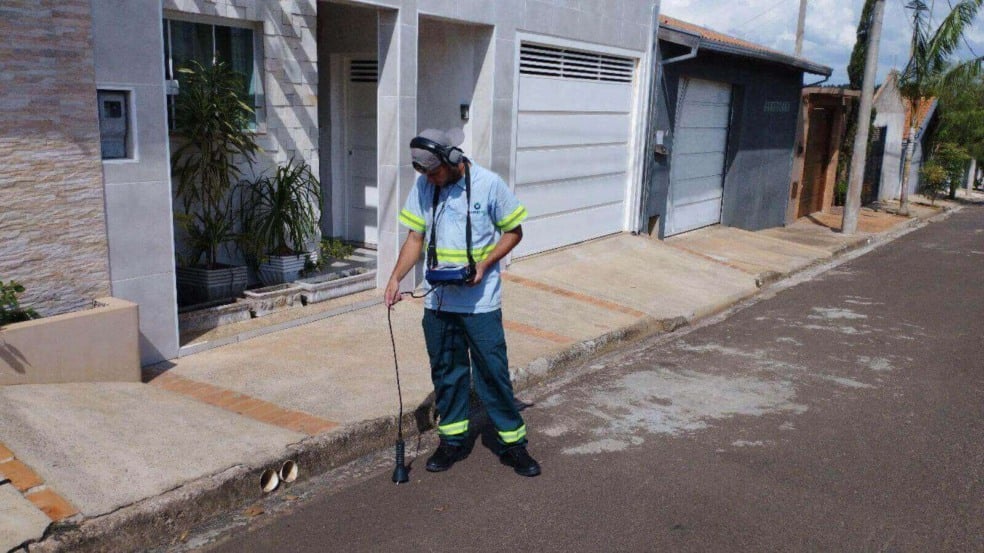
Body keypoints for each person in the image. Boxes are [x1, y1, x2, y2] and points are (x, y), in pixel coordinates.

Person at [384, 128, 540, 477]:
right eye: (426, 175)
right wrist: (396, 278)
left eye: (435, 172)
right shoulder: (425, 185)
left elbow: (514, 231)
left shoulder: (489, 184)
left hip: (479, 302)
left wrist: (484, 265)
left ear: (453, 158)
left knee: (492, 373)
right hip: (439, 301)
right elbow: (415, 238)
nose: (431, 181)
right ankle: (452, 441)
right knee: (447, 373)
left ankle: (513, 445)